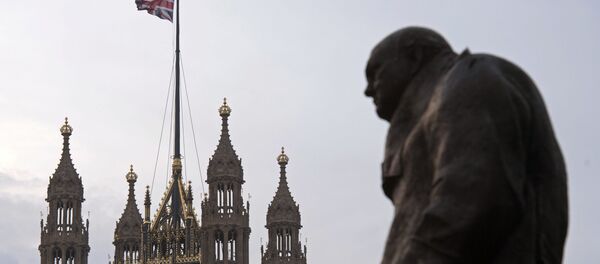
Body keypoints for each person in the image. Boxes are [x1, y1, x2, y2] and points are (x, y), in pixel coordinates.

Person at [364, 27, 568, 263]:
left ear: (415, 56)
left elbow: (473, 199)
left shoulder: (470, 78)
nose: (368, 90)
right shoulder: (433, 109)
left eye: (375, 73)